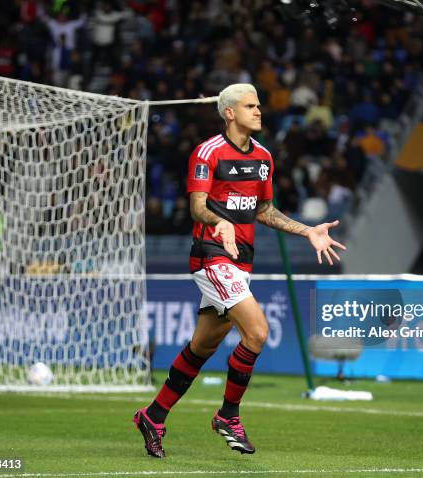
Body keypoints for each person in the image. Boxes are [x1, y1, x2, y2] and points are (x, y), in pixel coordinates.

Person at [133, 83, 346, 458]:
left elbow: (265, 210)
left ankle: (153, 415)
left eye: (259, 105)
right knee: (258, 332)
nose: (259, 111)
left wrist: (306, 230)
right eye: (250, 106)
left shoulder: (263, 157)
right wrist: (220, 222)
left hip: (241, 261)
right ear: (229, 112)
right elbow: (197, 206)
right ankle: (228, 415)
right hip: (211, 256)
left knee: (202, 346)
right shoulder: (207, 152)